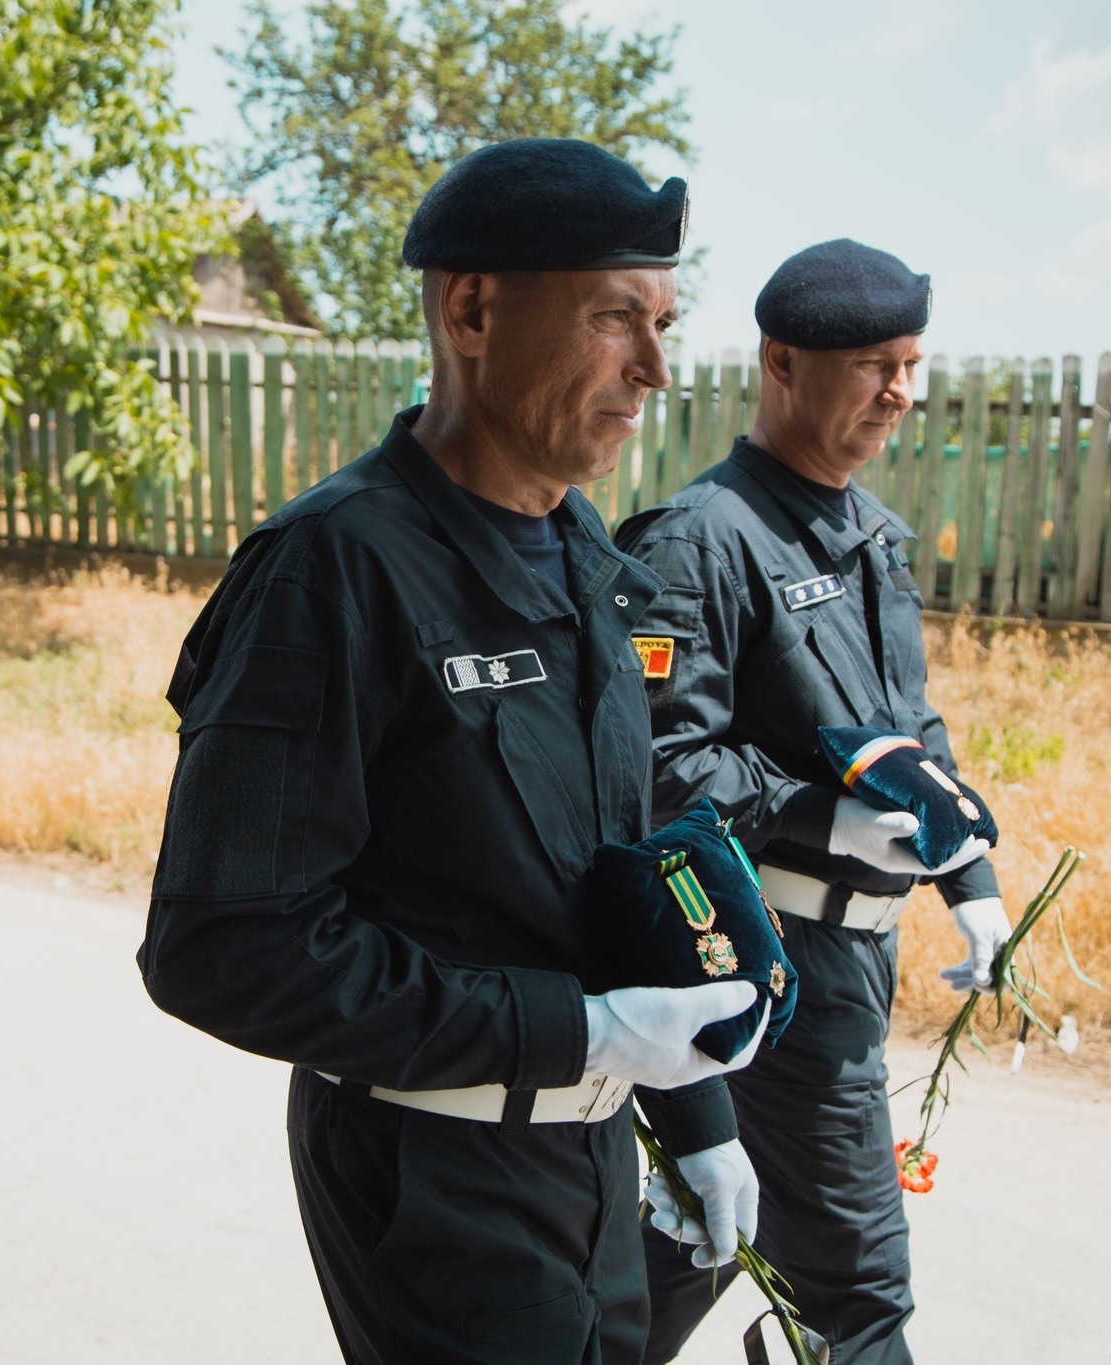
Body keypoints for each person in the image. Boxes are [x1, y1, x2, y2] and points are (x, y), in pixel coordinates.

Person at [139, 139, 766, 1365]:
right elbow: (221, 946)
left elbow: (620, 874)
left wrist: (694, 1113)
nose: (651, 369)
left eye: (662, 323)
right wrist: (574, 1035)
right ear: (470, 311)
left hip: (585, 1157)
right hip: (430, 1174)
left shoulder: (588, 560)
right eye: (612, 319)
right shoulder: (334, 569)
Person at [616, 239, 1007, 1365]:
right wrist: (816, 821)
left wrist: (964, 874)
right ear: (781, 363)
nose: (899, 390)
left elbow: (908, 729)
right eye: (872, 364)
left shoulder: (869, 534)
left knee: (704, 1230)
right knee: (858, 1296)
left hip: (853, 962)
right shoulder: (698, 544)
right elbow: (656, 766)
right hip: (763, 957)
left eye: (910, 363)